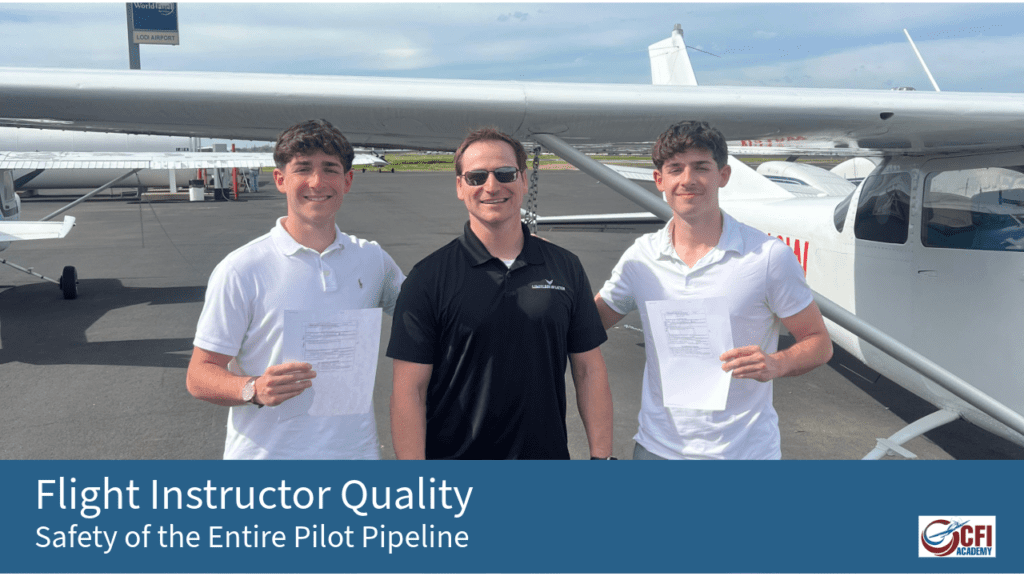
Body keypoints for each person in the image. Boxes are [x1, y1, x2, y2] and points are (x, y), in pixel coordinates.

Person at [594, 120, 833, 460]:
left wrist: (777, 363)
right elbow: (589, 321)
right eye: (675, 169)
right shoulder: (640, 257)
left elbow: (818, 343)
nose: (688, 180)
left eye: (701, 167)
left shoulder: (767, 256)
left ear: (723, 175)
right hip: (656, 450)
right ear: (660, 180)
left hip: (744, 454)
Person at [387, 127, 614, 460]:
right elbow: (409, 391)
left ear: (523, 180)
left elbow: (589, 370)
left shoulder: (566, 267)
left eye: (505, 173)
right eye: (477, 176)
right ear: (460, 186)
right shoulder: (427, 278)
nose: (491, 186)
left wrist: (602, 458)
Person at [186, 119, 404, 459]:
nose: (317, 182)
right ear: (280, 180)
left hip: (355, 458)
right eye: (303, 168)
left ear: (347, 180)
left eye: (330, 169)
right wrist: (252, 389)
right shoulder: (242, 268)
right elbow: (199, 375)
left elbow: (431, 315)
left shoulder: (372, 260)